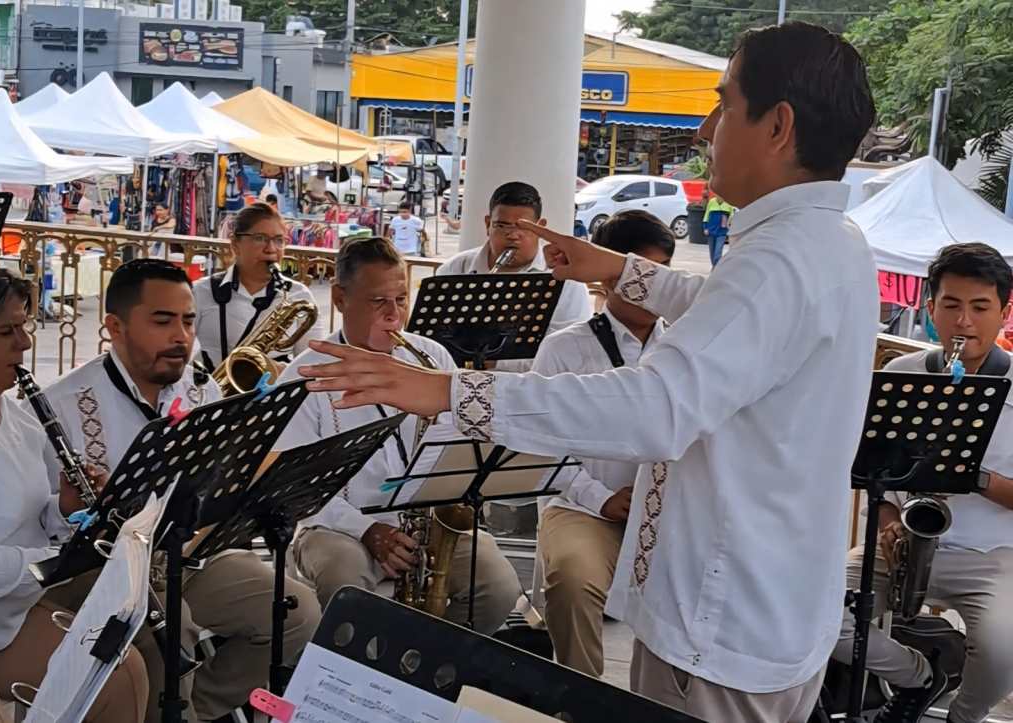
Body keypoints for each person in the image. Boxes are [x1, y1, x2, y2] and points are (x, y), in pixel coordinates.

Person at [297, 21, 879, 723]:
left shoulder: (777, 259)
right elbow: (728, 314)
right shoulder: (829, 241)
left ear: (779, 125)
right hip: (769, 604)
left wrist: (450, 391)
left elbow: (655, 407)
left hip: (724, 623)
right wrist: (622, 271)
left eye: (725, 104)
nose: (705, 126)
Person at [35, 260, 321, 722]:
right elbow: (44, 524)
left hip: (187, 557)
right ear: (114, 327)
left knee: (297, 610)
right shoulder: (63, 404)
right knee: (175, 632)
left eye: (189, 321)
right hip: (105, 575)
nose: (182, 337)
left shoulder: (200, 390)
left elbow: (221, 486)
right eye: (163, 321)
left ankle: (193, 712)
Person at [276, 236, 522, 631]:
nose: (394, 317)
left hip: (418, 524)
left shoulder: (432, 357)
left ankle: (431, 676)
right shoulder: (305, 374)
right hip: (335, 527)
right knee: (345, 579)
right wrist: (368, 530)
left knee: (496, 584)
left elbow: (456, 445)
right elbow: (293, 489)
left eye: (401, 300)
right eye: (379, 302)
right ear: (340, 299)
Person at [831, 242, 1013, 723]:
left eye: (980, 307)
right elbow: (877, 472)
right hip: (902, 544)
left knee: (1003, 651)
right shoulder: (902, 373)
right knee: (814, 614)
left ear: (1004, 312)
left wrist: (970, 474)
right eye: (950, 305)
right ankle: (919, 674)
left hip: (993, 555)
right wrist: (889, 519)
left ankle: (962, 718)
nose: (964, 323)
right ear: (930, 308)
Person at [0, 267, 148, 722]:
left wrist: (65, 510)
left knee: (126, 671)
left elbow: (36, 518)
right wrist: (48, 565)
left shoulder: (17, 415)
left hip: (12, 606)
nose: (24, 343)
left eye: (24, 325)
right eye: (6, 331)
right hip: (9, 598)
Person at [533, 210, 675, 677]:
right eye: (642, 275)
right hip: (583, 508)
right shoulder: (563, 349)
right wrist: (603, 499)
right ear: (607, 276)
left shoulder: (689, 348)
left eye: (662, 275)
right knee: (572, 579)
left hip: (673, 511)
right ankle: (581, 698)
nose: (655, 289)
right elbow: (541, 450)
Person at [436, 181, 593, 371]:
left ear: (540, 228)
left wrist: (495, 363)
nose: (512, 235)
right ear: (488, 224)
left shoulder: (566, 280)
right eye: (501, 226)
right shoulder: (454, 269)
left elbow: (571, 353)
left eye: (523, 227)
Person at [193, 203, 325, 374]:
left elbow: (312, 362)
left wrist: (280, 371)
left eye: (279, 240)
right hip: (210, 394)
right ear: (235, 244)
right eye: (260, 238)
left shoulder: (298, 296)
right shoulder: (200, 291)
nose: (271, 249)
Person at [703, 194, 734, 266]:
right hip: (710, 231)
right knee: (712, 253)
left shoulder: (729, 203)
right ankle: (714, 268)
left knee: (717, 254)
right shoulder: (712, 202)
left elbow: (732, 217)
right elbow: (706, 215)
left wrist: (729, 228)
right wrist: (705, 227)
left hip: (722, 232)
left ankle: (715, 269)